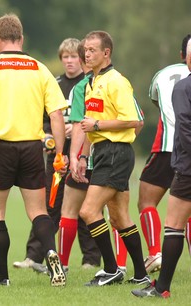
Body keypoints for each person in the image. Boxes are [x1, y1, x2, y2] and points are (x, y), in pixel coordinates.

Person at [0, 13, 68, 287]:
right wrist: (59, 152)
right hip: (33, 148)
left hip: (0, 149)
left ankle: (3, 278)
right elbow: (56, 115)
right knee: (38, 212)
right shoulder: (40, 69)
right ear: (21, 38)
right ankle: (51, 253)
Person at [13, 38, 101, 272]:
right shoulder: (54, 84)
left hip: (85, 153)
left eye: (74, 56)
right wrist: (49, 135)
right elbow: (42, 120)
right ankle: (34, 256)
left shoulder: (91, 83)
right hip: (58, 155)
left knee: (84, 208)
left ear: (82, 59)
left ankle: (90, 259)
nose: (70, 61)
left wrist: (77, 127)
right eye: (65, 57)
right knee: (48, 205)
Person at [75, 31, 147, 286]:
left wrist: (98, 124)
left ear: (106, 53)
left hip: (115, 152)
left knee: (88, 210)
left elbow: (134, 119)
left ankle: (111, 269)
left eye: (93, 49)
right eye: (86, 49)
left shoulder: (116, 81)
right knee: (118, 217)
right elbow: (88, 126)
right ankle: (141, 274)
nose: (87, 53)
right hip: (105, 151)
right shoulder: (92, 82)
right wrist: (84, 153)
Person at [132, 37, 191, 299]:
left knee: (172, 222)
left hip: (184, 162)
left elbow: (185, 127)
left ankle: (160, 281)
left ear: (184, 56)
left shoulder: (179, 86)